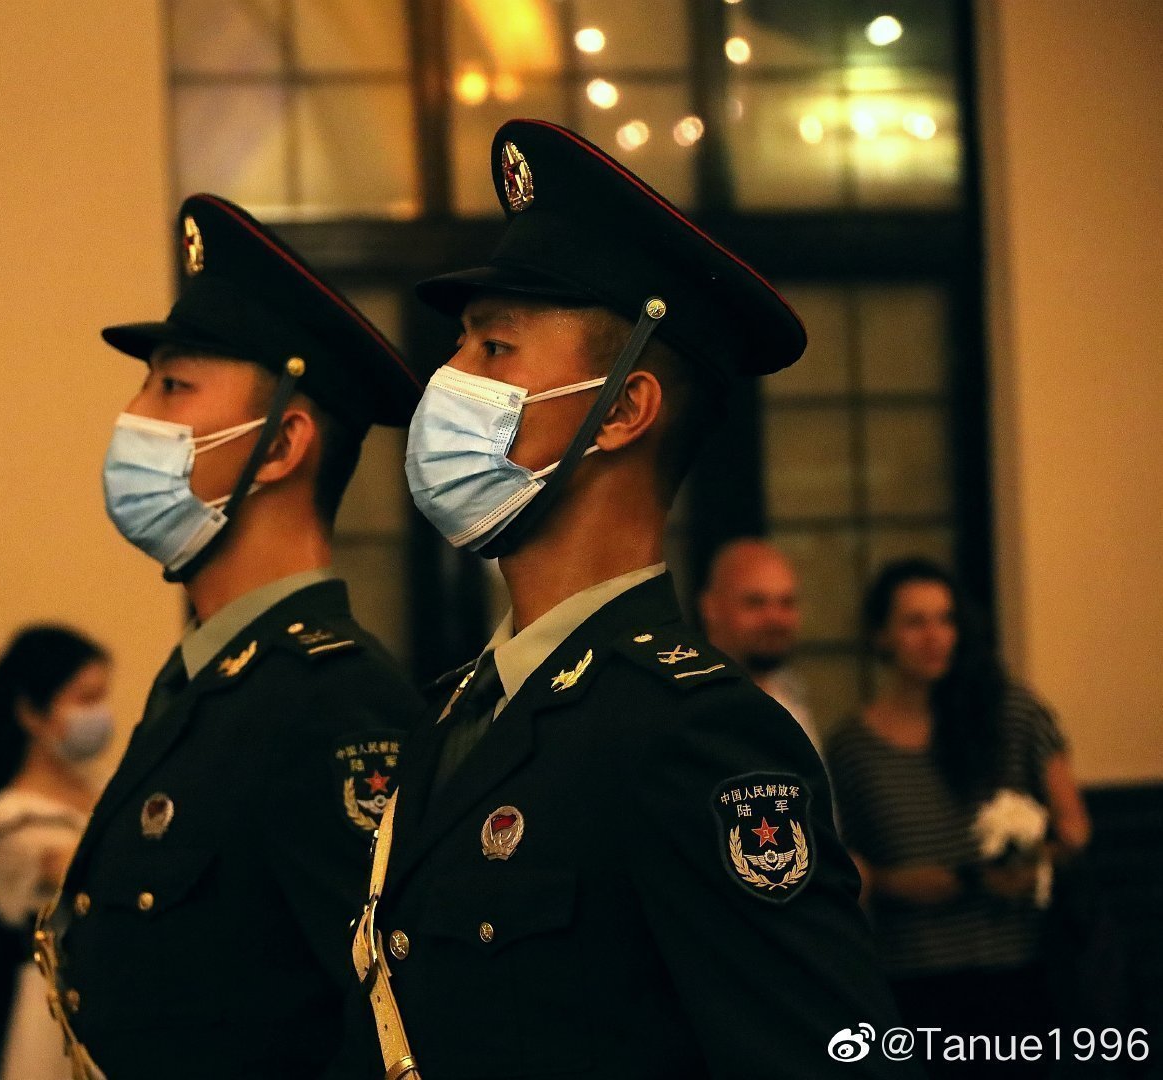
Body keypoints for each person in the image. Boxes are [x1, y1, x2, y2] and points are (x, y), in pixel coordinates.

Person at [338, 118, 916, 1080]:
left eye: (494, 348)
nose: (449, 379)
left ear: (621, 410)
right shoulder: (461, 714)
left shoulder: (696, 735)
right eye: (460, 345)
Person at [34, 193, 432, 1080]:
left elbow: (390, 1027)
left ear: (282, 445)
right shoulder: (208, 680)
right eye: (145, 384)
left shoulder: (332, 703)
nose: (135, 413)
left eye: (172, 386)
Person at [826, 558, 1091, 1071]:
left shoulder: (1010, 715)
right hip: (913, 975)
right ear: (882, 635)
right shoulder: (853, 747)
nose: (934, 637)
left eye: (945, 619)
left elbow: (1074, 826)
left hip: (1018, 966)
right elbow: (858, 868)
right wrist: (953, 880)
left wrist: (1031, 862)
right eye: (915, 622)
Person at [0, 625, 112, 1080]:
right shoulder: (10, 821)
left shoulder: (104, 795)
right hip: (50, 1004)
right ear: (32, 712)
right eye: (85, 700)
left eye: (102, 698)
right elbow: (82, 870)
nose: (100, 715)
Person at [699, 537, 823, 756]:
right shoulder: (696, 705)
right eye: (755, 602)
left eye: (786, 603)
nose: (775, 619)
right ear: (711, 607)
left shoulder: (790, 693)